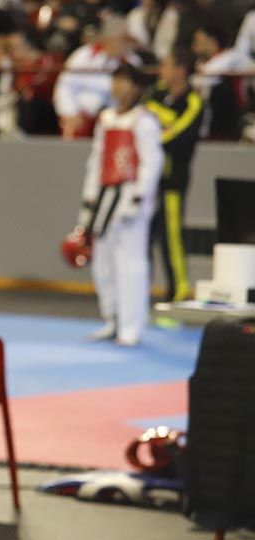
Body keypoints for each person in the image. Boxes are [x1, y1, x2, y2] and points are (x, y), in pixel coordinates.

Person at [76, 63, 164, 346]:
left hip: (128, 196)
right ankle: (111, 318)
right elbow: (97, 159)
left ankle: (131, 326)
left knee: (131, 264)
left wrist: (139, 198)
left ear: (137, 88)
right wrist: (89, 197)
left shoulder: (144, 121)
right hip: (104, 195)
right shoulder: (106, 119)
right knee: (102, 261)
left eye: (124, 82)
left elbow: (152, 164)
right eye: (115, 81)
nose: (118, 88)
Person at [145, 47, 203, 302]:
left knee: (171, 239)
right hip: (147, 180)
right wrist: (161, 123)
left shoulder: (193, 102)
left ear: (181, 70)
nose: (162, 70)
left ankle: (178, 293)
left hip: (173, 182)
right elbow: (142, 123)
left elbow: (176, 137)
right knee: (143, 238)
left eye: (167, 65)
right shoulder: (155, 92)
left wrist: (159, 125)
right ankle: (139, 293)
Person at [52, 15, 141, 139]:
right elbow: (64, 86)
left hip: (115, 116)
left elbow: (135, 94)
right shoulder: (83, 55)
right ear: (108, 38)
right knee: (73, 129)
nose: (124, 44)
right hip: (83, 116)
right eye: (121, 39)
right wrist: (70, 113)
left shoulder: (132, 61)